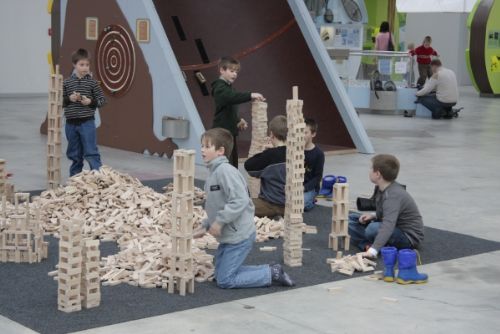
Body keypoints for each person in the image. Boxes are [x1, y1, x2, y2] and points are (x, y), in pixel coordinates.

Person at [193, 128, 294, 289]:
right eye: (202, 146)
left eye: (207, 146)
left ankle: (270, 274)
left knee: (225, 281)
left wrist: (219, 222)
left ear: (220, 151)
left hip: (239, 236)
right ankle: (269, 269)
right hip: (229, 236)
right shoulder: (214, 173)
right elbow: (218, 206)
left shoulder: (226, 172)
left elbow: (240, 200)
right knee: (220, 274)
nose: (202, 150)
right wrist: (206, 225)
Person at [348, 154, 424, 259]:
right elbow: (386, 211)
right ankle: (369, 245)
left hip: (407, 237)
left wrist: (373, 252)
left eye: (371, 169)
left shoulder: (393, 195)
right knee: (351, 219)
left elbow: (388, 224)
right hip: (393, 225)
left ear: (378, 174)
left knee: (372, 229)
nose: (369, 171)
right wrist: (373, 215)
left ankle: (374, 248)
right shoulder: (382, 188)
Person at [211, 56, 265, 168]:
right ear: (222, 70)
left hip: (230, 131)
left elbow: (228, 108)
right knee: (225, 163)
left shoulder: (229, 88)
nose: (234, 74)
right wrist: (250, 95)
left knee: (233, 163)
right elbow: (230, 97)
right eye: (231, 71)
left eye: (236, 72)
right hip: (222, 133)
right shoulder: (219, 87)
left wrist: (238, 120)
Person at [62, 48, 106, 177]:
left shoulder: (93, 83)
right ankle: (75, 180)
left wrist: (90, 102)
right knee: (74, 154)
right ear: (74, 65)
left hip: (87, 123)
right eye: (81, 65)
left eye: (87, 65)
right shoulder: (67, 83)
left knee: (91, 151)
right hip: (70, 124)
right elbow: (60, 101)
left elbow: (102, 101)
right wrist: (69, 99)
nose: (85, 68)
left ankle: (98, 177)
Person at [244, 115, 287, 218]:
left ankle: (274, 215)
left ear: (271, 134)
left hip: (270, 204)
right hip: (290, 205)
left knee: (240, 205)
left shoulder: (270, 155)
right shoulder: (295, 153)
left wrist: (265, 152)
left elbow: (248, 166)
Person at [303, 118, 325, 211]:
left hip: (310, 188)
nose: (302, 135)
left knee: (301, 205)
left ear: (313, 134)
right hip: (295, 186)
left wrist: (304, 187)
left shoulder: (318, 154)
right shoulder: (295, 150)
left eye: (305, 132)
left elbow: (318, 177)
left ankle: (311, 201)